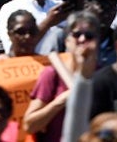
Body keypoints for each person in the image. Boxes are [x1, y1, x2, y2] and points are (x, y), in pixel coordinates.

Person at [23, 11, 101, 142]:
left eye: (89, 35)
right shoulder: (52, 75)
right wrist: (61, 100)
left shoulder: (103, 76)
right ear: (67, 40)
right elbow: (29, 125)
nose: (82, 39)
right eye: (76, 34)